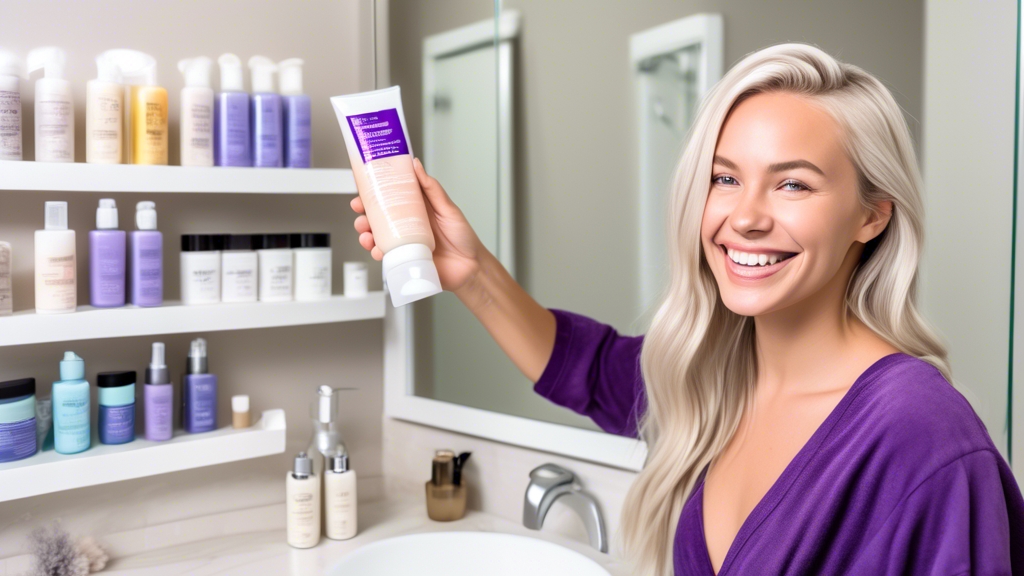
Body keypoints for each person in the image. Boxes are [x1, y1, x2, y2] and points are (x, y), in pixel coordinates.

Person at [351, 43, 1024, 575]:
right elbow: (587, 368)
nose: (744, 217)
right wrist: (472, 273)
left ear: (871, 217)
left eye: (793, 183)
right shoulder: (716, 373)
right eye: (725, 178)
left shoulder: (924, 440)